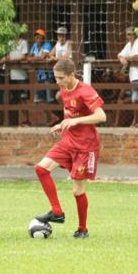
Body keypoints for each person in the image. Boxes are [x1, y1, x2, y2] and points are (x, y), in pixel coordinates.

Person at [34, 59, 106, 239]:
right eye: (55, 77)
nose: (57, 82)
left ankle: (83, 229)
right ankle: (57, 211)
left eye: (60, 78)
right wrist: (62, 124)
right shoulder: (64, 89)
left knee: (77, 191)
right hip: (68, 142)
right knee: (41, 169)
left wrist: (75, 121)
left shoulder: (85, 91)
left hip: (85, 146)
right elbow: (71, 112)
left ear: (71, 75)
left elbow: (101, 116)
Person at [118, 26, 138, 127]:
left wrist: (127, 58)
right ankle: (136, 120)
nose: (130, 36)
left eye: (131, 34)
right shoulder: (128, 45)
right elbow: (120, 54)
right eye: (128, 34)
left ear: (135, 35)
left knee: (137, 99)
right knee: (135, 100)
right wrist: (122, 58)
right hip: (133, 77)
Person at [28, 29, 58, 126]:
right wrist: (34, 58)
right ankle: (50, 117)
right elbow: (29, 57)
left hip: (48, 75)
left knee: (50, 99)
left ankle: (57, 116)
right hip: (39, 76)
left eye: (40, 36)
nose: (38, 38)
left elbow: (43, 57)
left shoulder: (47, 45)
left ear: (43, 38)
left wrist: (34, 59)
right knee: (38, 100)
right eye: (36, 36)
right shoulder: (34, 46)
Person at [0, 35, 30, 126]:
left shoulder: (23, 42)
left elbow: (24, 57)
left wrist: (11, 60)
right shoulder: (9, 43)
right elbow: (7, 56)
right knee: (13, 99)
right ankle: (14, 121)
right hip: (11, 76)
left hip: (22, 76)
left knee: (23, 99)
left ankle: (26, 120)